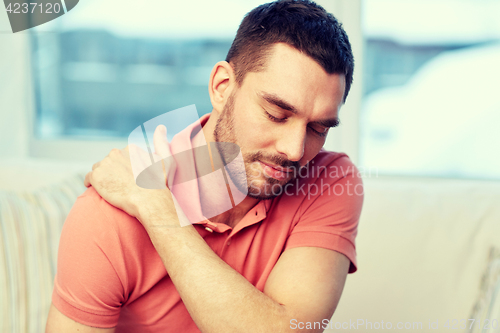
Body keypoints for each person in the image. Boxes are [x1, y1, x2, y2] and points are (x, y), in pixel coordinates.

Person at [45, 0, 363, 332]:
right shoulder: (106, 217)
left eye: (318, 129)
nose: (295, 151)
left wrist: (160, 213)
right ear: (222, 87)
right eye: (276, 114)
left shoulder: (330, 180)